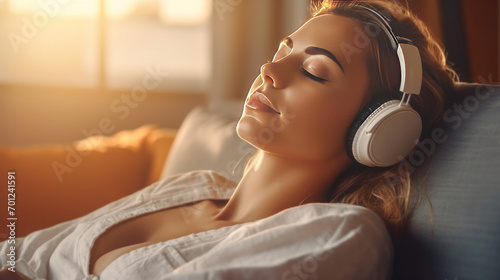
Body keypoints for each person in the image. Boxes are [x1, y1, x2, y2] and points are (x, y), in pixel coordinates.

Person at [0, 0, 457, 279]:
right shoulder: (193, 186)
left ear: (376, 129)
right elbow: (23, 254)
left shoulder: (340, 234)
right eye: (281, 52)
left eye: (314, 71)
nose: (269, 71)